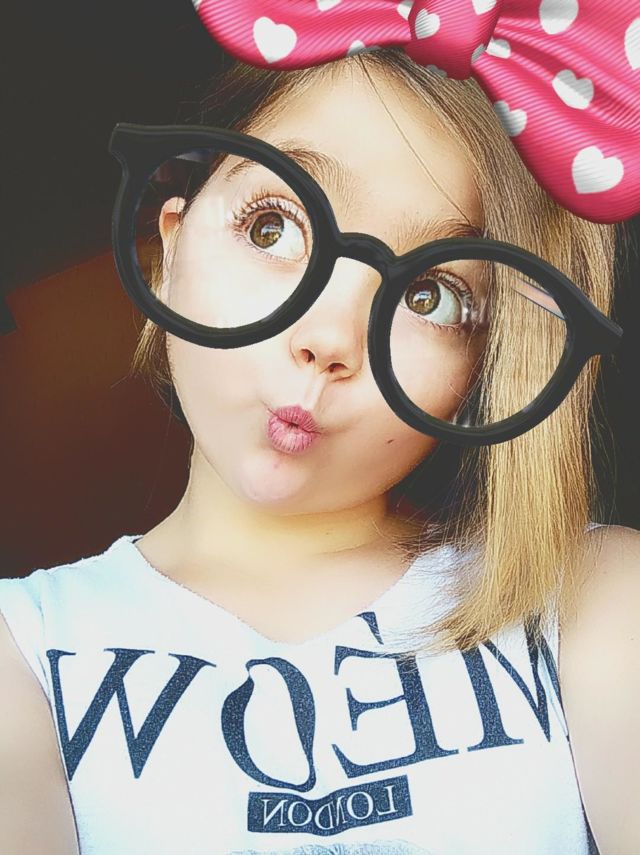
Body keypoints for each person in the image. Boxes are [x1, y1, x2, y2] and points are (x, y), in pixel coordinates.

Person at [0, 42, 638, 855]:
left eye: (430, 296)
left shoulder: (594, 597)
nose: (330, 338)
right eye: (272, 227)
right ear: (171, 248)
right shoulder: (22, 648)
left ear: (483, 369)